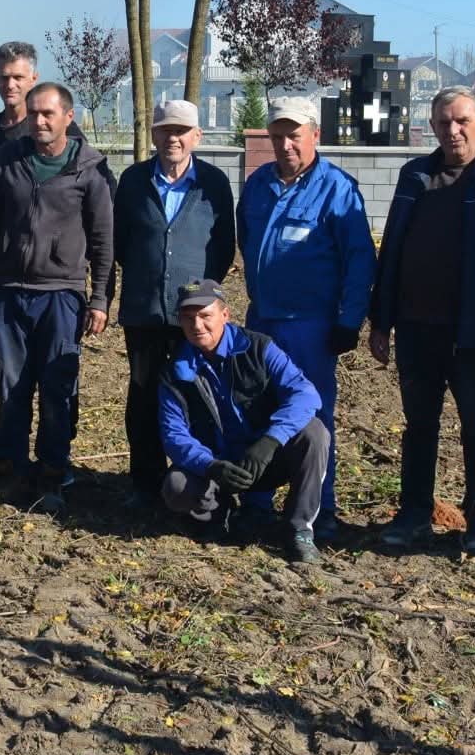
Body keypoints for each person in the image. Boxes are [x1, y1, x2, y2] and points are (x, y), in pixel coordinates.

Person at [369, 87, 475, 553]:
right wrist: (381, 320)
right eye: (444, 123)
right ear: (432, 127)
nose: (454, 130)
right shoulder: (414, 175)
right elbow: (394, 251)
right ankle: (414, 515)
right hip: (417, 328)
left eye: (463, 120)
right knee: (419, 425)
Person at [0, 82, 112, 512]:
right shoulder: (8, 159)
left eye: (48, 114)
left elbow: (104, 239)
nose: (39, 121)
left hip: (61, 294)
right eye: (33, 114)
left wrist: (101, 297)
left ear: (69, 117)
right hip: (9, 292)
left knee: (57, 385)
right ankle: (10, 470)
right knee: (10, 383)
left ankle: (53, 472)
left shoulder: (90, 169)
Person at [236, 95, 374, 536]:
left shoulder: (337, 189)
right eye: (277, 136)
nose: (286, 145)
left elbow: (360, 261)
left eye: (294, 135)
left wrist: (349, 320)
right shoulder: (257, 185)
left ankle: (318, 507)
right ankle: (256, 500)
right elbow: (244, 240)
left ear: (315, 134)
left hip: (312, 326)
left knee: (313, 416)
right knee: (258, 407)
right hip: (263, 321)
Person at [112, 100, 235, 510]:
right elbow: (122, 244)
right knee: (144, 394)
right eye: (165, 130)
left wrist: (199, 296)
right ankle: (145, 482)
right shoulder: (132, 181)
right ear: (153, 135)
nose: (173, 138)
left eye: (182, 131)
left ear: (197, 137)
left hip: (193, 316)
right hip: (145, 311)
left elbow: (222, 249)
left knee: (196, 393)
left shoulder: (213, 184)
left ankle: (198, 478)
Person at [159, 280, 330, 564]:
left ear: (225, 315)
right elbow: (174, 435)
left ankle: (299, 529)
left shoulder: (259, 348)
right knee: (176, 487)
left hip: (266, 458)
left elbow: (305, 394)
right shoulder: (174, 371)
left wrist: (270, 440)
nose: (197, 325)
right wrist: (210, 465)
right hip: (217, 467)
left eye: (205, 315)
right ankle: (221, 515)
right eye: (188, 318)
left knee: (315, 433)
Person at [0, 41, 41, 187]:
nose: (10, 85)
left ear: (33, 80)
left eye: (18, 77)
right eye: (4, 77)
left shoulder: (53, 126)